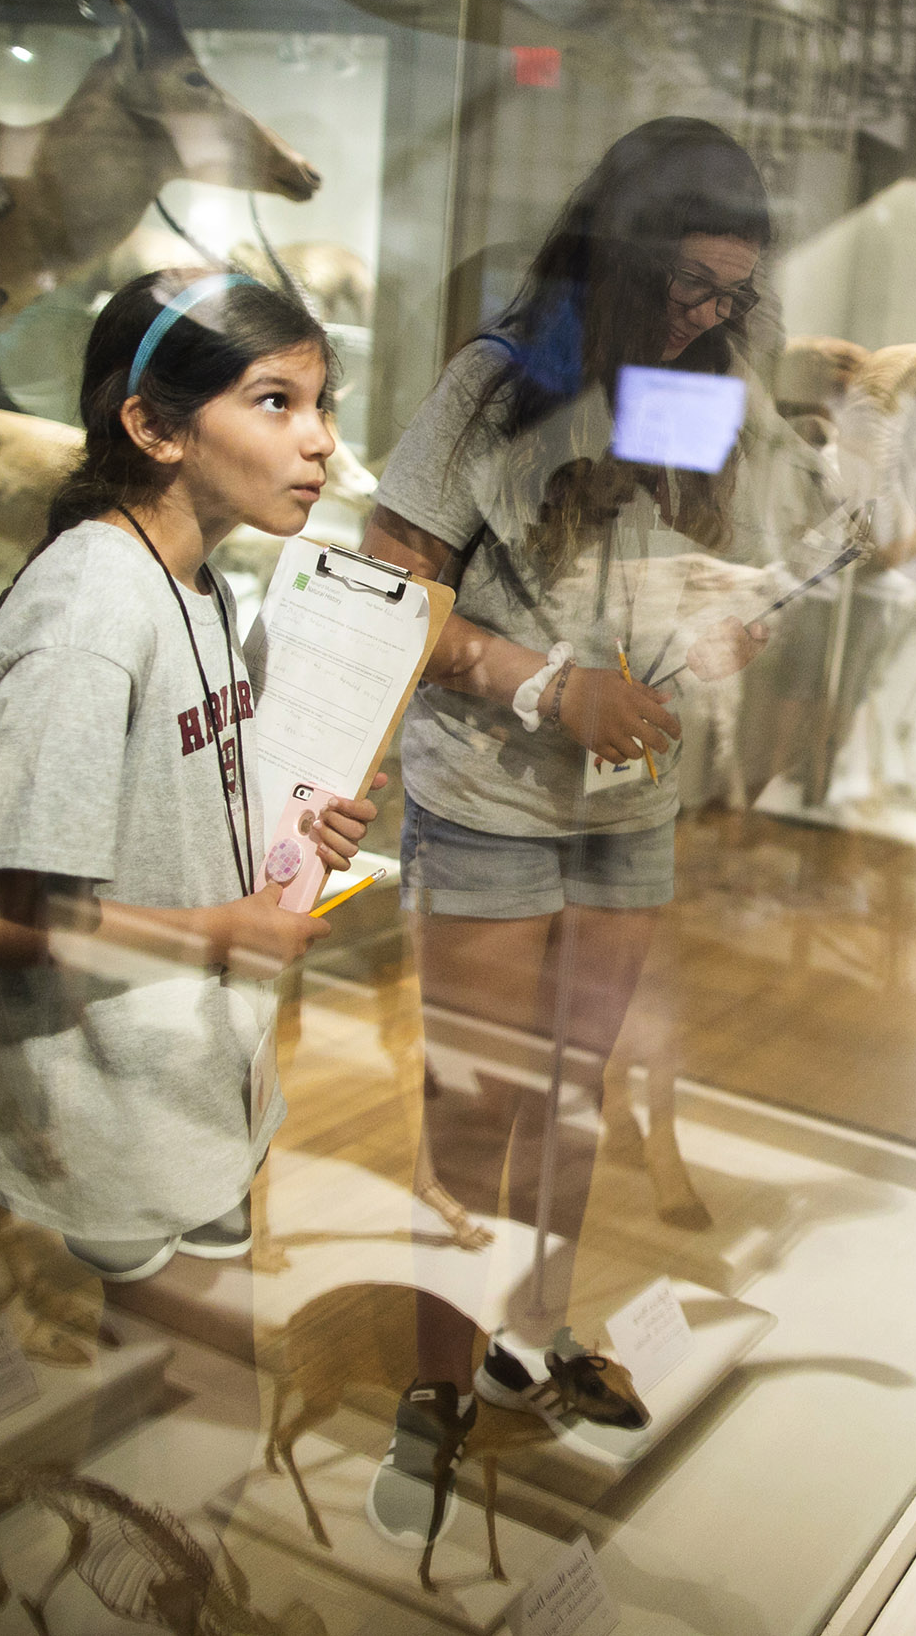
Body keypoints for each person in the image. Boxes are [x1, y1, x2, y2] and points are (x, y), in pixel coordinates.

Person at [356, 116, 834, 1542]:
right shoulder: (497, 382)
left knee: (574, 1087)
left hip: (628, 800)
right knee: (475, 1099)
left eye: (731, 297)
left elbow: (662, 558)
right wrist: (543, 682)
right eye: (688, 287)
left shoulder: (694, 378)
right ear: (620, 261)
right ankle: (437, 1387)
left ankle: (533, 1333)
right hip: (493, 796)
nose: (706, 319)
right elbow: (394, 597)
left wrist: (723, 609)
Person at [0, 268, 381, 1282]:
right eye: (276, 402)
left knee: (191, 1383)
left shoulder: (196, 580)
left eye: (322, 406)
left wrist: (295, 827)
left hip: (191, 1082)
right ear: (154, 425)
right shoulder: (88, 613)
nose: (319, 441)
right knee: (137, 1378)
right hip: (104, 1115)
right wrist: (222, 930)